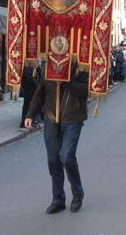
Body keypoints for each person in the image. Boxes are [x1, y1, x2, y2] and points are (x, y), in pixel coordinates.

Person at [24, 62, 89, 214]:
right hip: (51, 119)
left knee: (66, 157)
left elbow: (85, 91)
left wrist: (66, 82)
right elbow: (40, 93)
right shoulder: (47, 67)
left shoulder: (81, 66)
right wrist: (30, 115)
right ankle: (58, 199)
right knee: (53, 160)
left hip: (72, 118)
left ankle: (78, 193)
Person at [20, 64, 40, 128]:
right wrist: (37, 84)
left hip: (30, 90)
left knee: (29, 106)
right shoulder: (28, 67)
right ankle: (24, 122)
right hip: (28, 91)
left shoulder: (33, 66)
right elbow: (29, 78)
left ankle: (30, 122)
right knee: (27, 107)